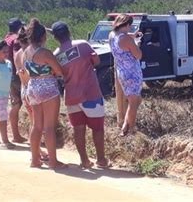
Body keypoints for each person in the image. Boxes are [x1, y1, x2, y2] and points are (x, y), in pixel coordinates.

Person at [52, 21, 109, 169]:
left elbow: (57, 73)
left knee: (78, 129)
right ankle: (101, 160)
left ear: (55, 38)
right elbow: (96, 61)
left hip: (71, 96)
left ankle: (84, 160)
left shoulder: (56, 55)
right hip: (91, 94)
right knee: (97, 128)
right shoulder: (83, 45)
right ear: (69, 32)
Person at [24, 18, 66, 169]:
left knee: (36, 126)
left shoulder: (26, 52)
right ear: (43, 37)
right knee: (49, 127)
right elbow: (59, 71)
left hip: (32, 87)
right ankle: (53, 161)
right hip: (47, 87)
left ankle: (35, 160)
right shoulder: (45, 53)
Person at [14, 27, 48, 161]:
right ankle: (37, 152)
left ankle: (36, 150)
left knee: (34, 122)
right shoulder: (30, 53)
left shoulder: (17, 54)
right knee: (37, 124)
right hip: (33, 90)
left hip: (25, 90)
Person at [108, 14, 143, 136]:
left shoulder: (112, 36)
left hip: (122, 72)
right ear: (127, 25)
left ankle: (124, 127)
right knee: (133, 103)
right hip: (132, 73)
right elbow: (138, 55)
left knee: (136, 100)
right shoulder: (126, 39)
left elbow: (122, 38)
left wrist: (132, 36)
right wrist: (136, 42)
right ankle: (131, 130)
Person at [4, 18, 26, 143]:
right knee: (24, 104)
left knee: (15, 103)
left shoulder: (6, 39)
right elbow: (19, 56)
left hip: (8, 75)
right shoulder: (16, 39)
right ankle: (17, 135)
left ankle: (15, 134)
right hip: (18, 75)